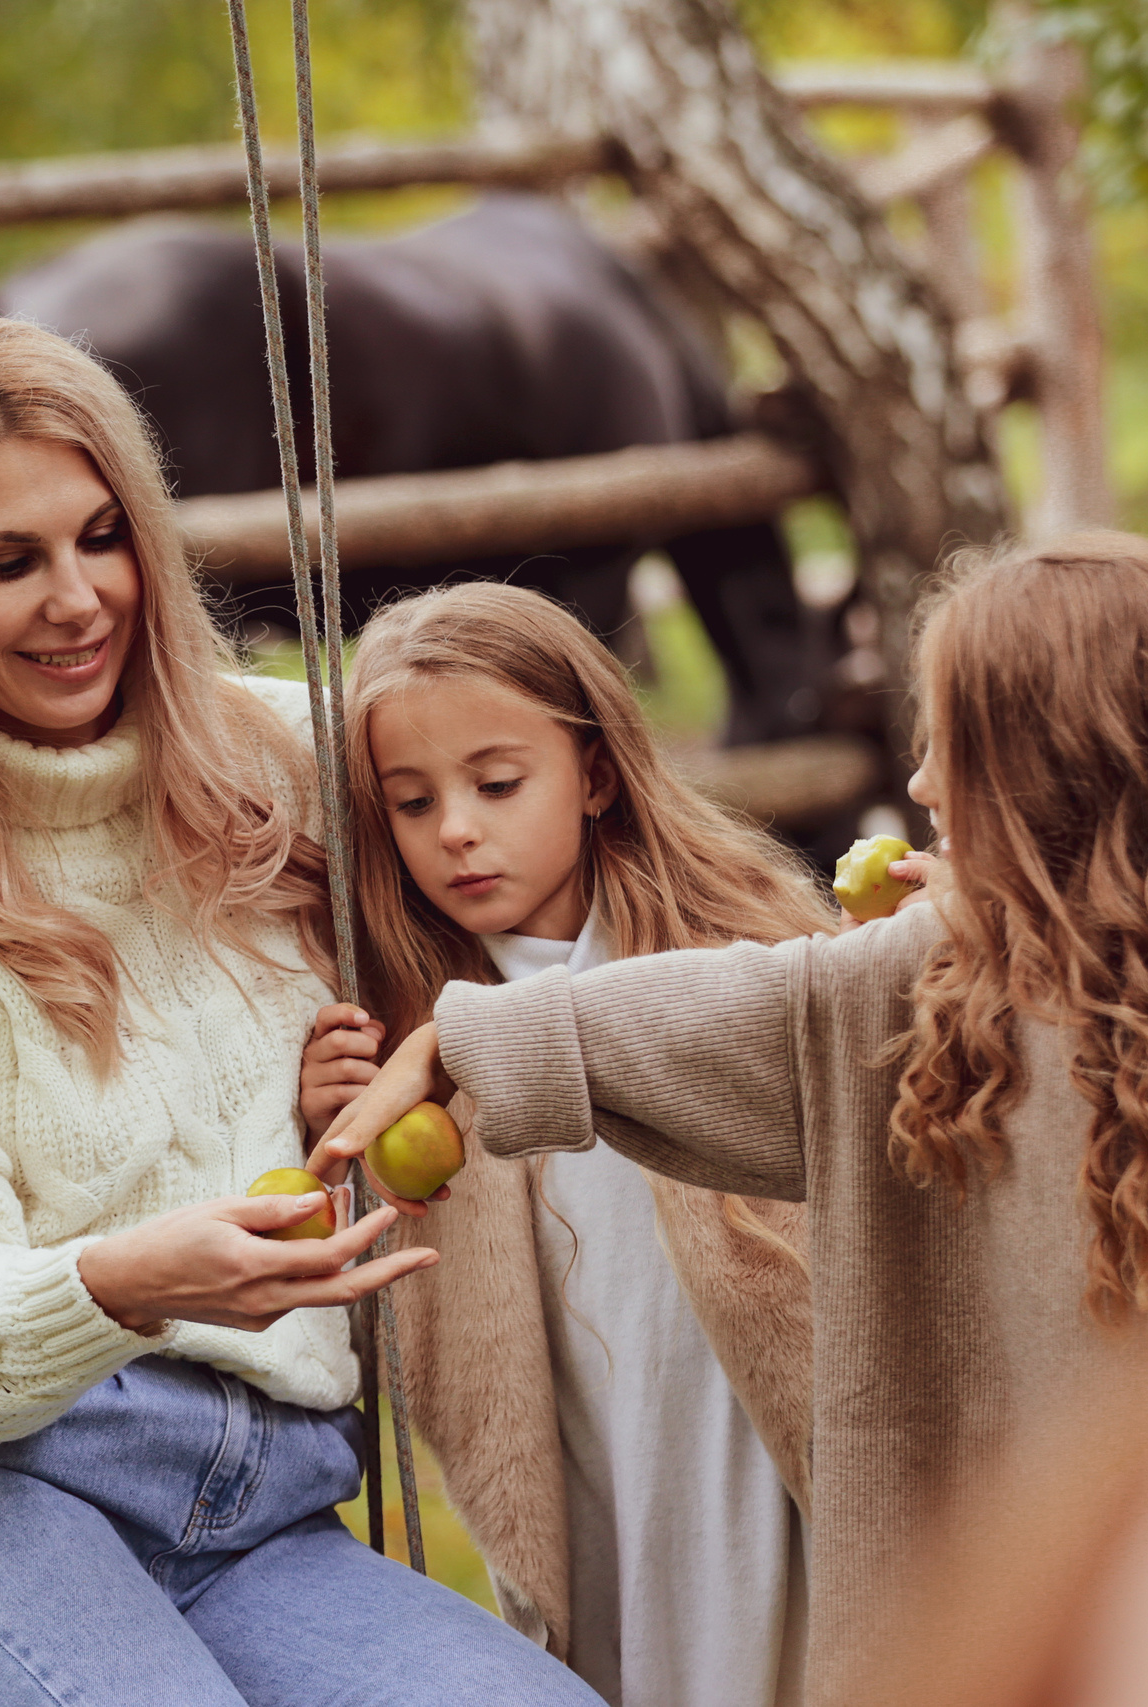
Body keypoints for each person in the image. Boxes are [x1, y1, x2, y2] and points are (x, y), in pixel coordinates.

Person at [313, 532, 1148, 1705]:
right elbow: (716, 1016)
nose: (919, 787)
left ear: (1067, 766)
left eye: (951, 748)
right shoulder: (911, 986)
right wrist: (449, 1041)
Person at [0, 312, 599, 1706]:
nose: (78, 598)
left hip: (268, 1501)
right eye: (7, 562)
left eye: (102, 537)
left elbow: (571, 846)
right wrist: (126, 1278)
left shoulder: (279, 755)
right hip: (1, 1488)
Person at [297, 582, 832, 1706]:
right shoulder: (400, 1044)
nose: (455, 829)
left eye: (497, 784)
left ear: (594, 774)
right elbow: (367, 1312)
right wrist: (326, 1130)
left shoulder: (743, 954)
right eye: (410, 802)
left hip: (758, 1457)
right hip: (595, 1471)